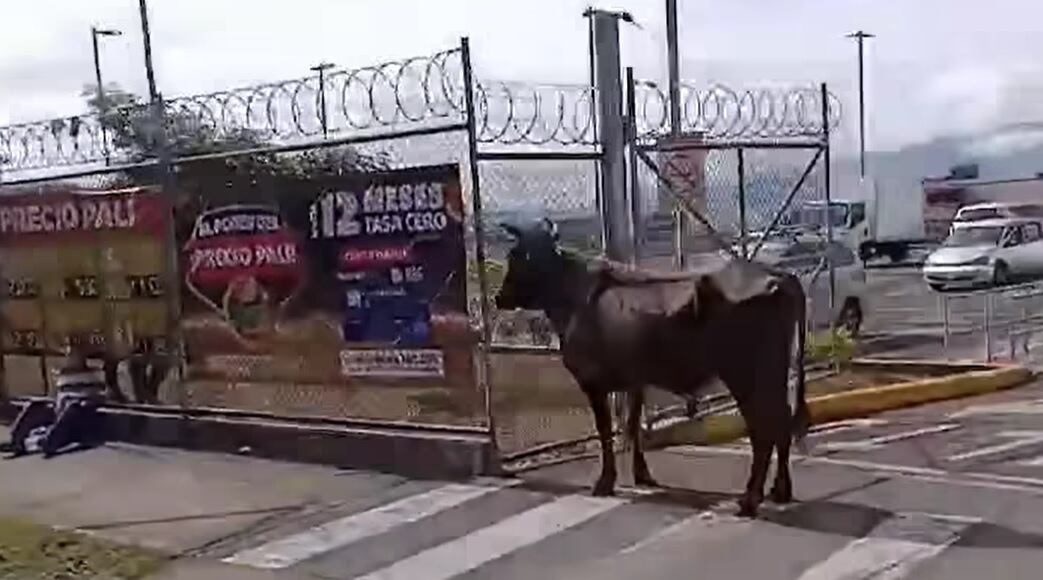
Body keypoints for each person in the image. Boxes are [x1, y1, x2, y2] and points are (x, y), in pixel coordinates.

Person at [2, 344, 107, 458]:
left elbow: (99, 395)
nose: (69, 358)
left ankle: (49, 442)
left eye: (72, 355)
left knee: (72, 407)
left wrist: (84, 402)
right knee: (34, 404)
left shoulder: (93, 373)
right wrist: (51, 403)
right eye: (67, 355)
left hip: (78, 414)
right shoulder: (62, 374)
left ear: (82, 356)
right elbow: (56, 395)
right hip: (59, 409)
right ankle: (16, 441)